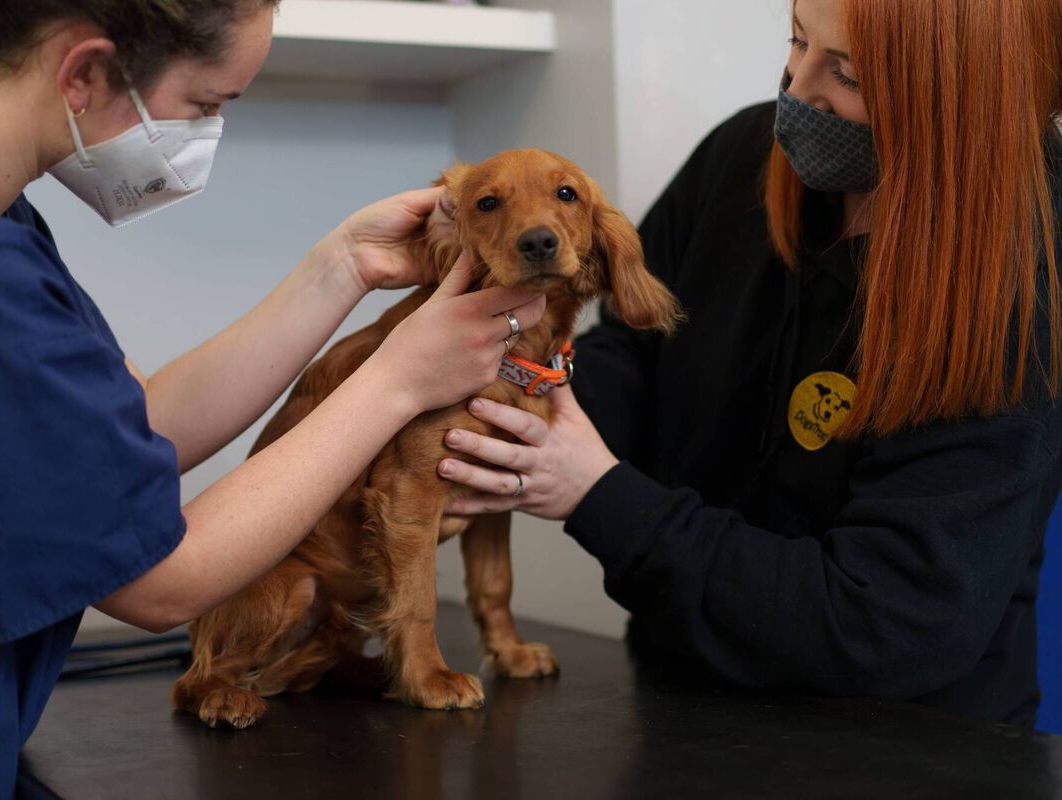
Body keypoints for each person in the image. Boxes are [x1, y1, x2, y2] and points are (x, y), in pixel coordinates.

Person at [0, 1, 546, 796]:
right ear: (86, 72)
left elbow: (125, 429)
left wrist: (344, 265)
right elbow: (160, 581)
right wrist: (396, 382)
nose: (204, 135)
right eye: (205, 104)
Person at [440, 0, 1062, 728]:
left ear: (959, 95)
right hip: (682, 710)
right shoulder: (742, 157)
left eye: (849, 76)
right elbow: (636, 349)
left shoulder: (1026, 286)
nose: (796, 90)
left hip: (904, 746)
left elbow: (880, 624)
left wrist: (594, 492)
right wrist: (517, 426)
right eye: (797, 42)